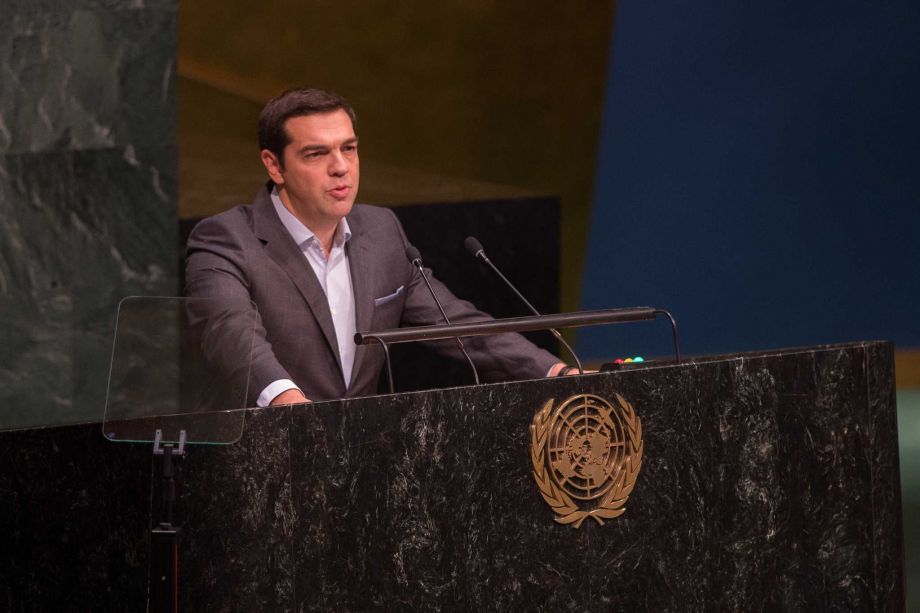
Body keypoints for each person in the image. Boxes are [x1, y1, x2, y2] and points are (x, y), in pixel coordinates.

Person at [185, 87, 568, 407]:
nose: (341, 167)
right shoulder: (227, 239)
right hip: (262, 461)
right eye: (317, 154)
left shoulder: (381, 230)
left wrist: (557, 372)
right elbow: (233, 336)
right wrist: (292, 406)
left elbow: (457, 326)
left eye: (348, 149)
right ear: (274, 165)